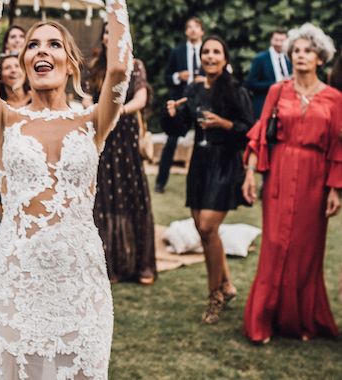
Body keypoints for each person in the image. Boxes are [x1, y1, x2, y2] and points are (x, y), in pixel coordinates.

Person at [0, 0, 133, 379]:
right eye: (33, 45)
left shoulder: (93, 120)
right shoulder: (3, 119)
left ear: (70, 63)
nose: (41, 51)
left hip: (80, 284)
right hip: (18, 280)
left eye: (53, 44)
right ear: (24, 63)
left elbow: (120, 68)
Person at [242, 23, 342, 343]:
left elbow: (338, 146)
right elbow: (260, 135)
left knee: (306, 249)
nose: (300, 55)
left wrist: (335, 189)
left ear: (320, 58)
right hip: (280, 172)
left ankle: (301, 321)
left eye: (307, 51)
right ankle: (263, 320)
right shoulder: (277, 91)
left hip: (315, 177)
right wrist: (250, 173)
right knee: (274, 244)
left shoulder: (335, 98)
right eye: (296, 50)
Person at [162, 35, 253, 324]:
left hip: (225, 163)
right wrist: (172, 114)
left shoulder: (236, 91)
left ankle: (215, 296)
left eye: (216, 52)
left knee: (207, 226)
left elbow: (249, 131)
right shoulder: (194, 89)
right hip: (200, 164)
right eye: (206, 52)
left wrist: (223, 124)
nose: (210, 56)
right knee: (204, 233)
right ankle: (226, 285)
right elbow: (180, 127)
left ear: (225, 58)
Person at [85, 23, 156, 285]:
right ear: (103, 38)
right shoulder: (95, 67)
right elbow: (86, 99)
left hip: (125, 135)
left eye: (115, 32)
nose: (110, 36)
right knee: (105, 198)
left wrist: (119, 112)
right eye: (106, 32)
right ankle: (110, 265)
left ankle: (141, 265)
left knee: (132, 194)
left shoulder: (134, 66)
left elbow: (141, 98)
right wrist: (95, 113)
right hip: (103, 136)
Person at [156, 17, 206, 193]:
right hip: (181, 103)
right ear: (186, 31)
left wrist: (205, 80)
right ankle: (160, 182)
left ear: (202, 31)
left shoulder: (208, 51)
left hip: (202, 102)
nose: (193, 30)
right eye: (189, 27)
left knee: (202, 141)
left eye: (196, 27)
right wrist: (178, 76)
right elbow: (167, 77)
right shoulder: (177, 52)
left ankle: (201, 183)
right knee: (171, 142)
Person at [0, 52, 31, 260]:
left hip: (35, 168)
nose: (13, 70)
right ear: (1, 76)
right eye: (7, 67)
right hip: (5, 168)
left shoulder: (38, 101)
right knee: (6, 219)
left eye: (17, 66)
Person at [244, 29, 292, 120]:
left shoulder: (289, 58)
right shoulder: (260, 59)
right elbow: (250, 84)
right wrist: (276, 83)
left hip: (287, 105)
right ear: (271, 40)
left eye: (282, 40)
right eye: (276, 40)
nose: (279, 43)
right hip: (264, 105)